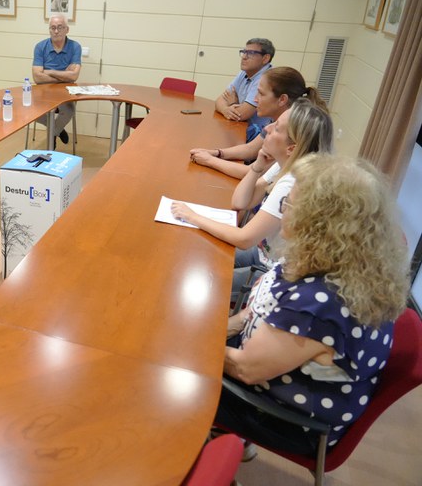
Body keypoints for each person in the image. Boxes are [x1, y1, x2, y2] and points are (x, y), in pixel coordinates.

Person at [216, 154, 409, 458]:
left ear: (320, 223)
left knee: (165, 368)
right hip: (277, 371)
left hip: (288, 418)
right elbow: (256, 313)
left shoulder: (322, 303)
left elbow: (245, 369)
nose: (283, 210)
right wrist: (213, 331)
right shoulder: (346, 264)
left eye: (290, 205)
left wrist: (194, 347)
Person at [172, 98, 333, 297]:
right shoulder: (283, 164)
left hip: (275, 272)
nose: (267, 128)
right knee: (199, 256)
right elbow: (240, 202)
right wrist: (257, 167)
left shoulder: (292, 183)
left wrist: (192, 216)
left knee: (205, 281)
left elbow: (244, 238)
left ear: (291, 148)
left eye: (276, 128)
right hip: (262, 253)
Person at [191, 66, 327, 179]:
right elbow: (250, 149)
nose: (255, 99)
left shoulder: (290, 131)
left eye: (261, 94)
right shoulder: (277, 122)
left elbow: (252, 173)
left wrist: (209, 160)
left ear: (282, 99)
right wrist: (216, 153)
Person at [32, 14, 82, 148]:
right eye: (52, 28)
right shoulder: (40, 47)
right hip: (43, 90)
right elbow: (37, 77)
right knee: (32, 111)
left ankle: (53, 133)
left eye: (60, 27)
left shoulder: (75, 47)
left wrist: (49, 71)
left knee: (69, 111)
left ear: (67, 29)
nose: (56, 31)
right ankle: (58, 130)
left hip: (66, 90)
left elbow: (74, 76)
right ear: (49, 29)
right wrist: (64, 74)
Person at [214, 38, 275, 141]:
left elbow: (242, 114)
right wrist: (225, 109)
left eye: (251, 53)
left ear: (265, 58)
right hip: (241, 130)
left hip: (258, 137)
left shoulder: (267, 77)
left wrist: (233, 103)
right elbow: (219, 101)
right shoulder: (244, 72)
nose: (244, 57)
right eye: (244, 52)